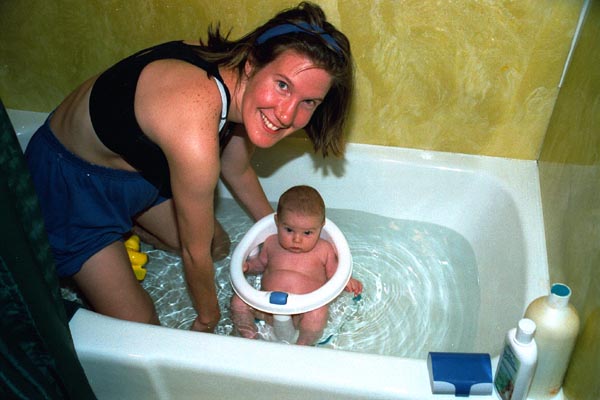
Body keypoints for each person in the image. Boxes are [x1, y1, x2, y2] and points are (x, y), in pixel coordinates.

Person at [24, 2, 354, 333]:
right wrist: (208, 319)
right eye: (282, 85)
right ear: (252, 63)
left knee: (219, 247)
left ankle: (126, 229)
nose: (286, 114)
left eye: (308, 102)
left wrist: (277, 233)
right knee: (144, 330)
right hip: (72, 187)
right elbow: (193, 253)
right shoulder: (194, 121)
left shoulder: (238, 80)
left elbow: (236, 169)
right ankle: (86, 250)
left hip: (141, 177)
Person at [231, 185, 363, 345]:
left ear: (321, 227)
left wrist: (347, 281)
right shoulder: (271, 242)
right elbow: (260, 264)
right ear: (277, 222)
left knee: (318, 314)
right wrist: (249, 267)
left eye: (307, 233)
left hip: (304, 311)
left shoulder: (324, 249)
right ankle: (247, 334)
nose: (297, 239)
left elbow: (334, 274)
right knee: (238, 301)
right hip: (267, 309)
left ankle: (303, 345)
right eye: (289, 230)